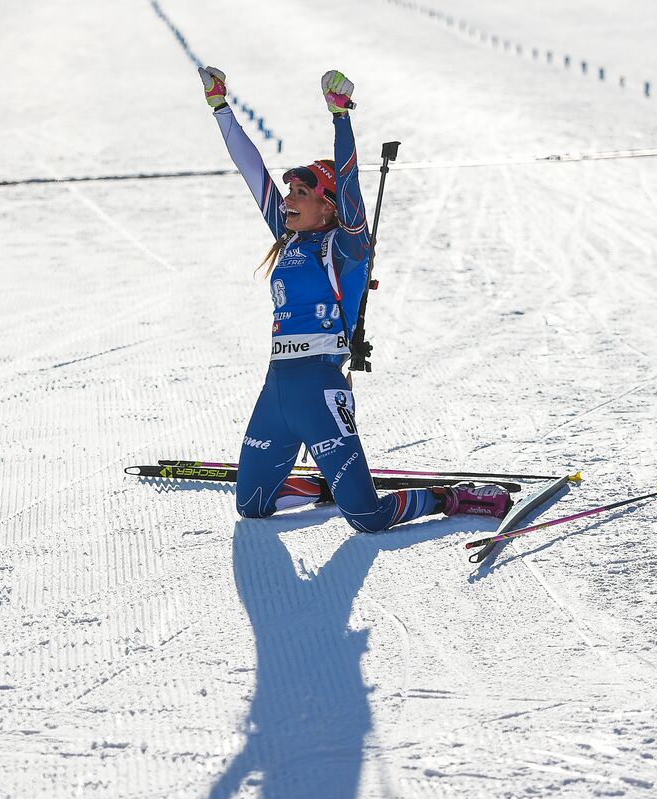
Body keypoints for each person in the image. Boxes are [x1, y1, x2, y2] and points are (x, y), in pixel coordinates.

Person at [198, 66, 511, 532]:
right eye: (289, 191)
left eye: (301, 192)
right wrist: (221, 108)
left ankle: (450, 498)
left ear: (326, 206)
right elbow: (252, 171)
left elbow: (349, 189)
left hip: (322, 390)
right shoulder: (287, 237)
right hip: (278, 387)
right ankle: (328, 486)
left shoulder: (345, 247)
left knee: (367, 518)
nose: (288, 198)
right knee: (253, 504)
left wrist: (340, 118)